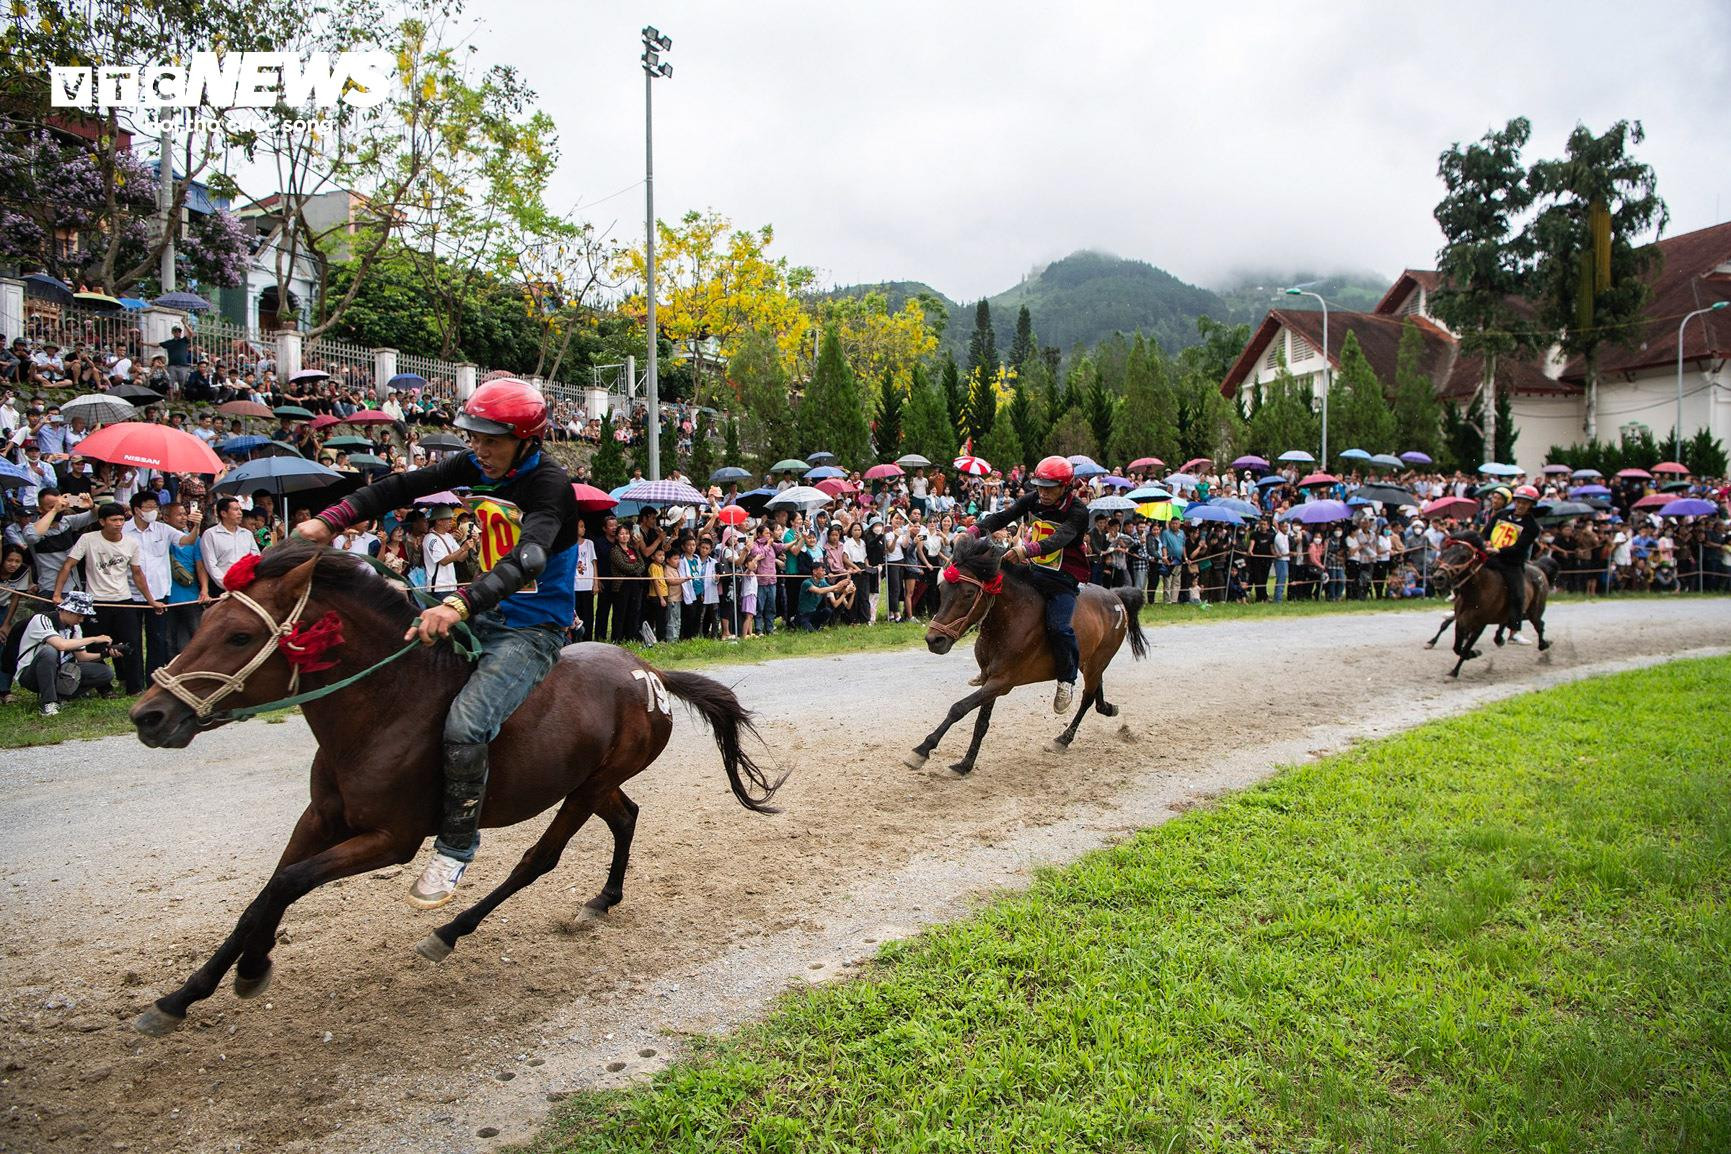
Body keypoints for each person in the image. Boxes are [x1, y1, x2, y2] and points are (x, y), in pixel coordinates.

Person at [295, 377, 581, 910]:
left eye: (491, 440)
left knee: (467, 723)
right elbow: (397, 488)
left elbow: (529, 560)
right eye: (473, 437)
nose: (479, 450)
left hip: (530, 629)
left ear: (526, 439)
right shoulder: (473, 467)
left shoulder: (549, 486)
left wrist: (459, 604)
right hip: (478, 611)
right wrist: (329, 521)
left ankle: (455, 846)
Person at [970, 455, 1091, 713]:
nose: (1042, 493)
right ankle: (990, 666)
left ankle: (1067, 680)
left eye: (1049, 488)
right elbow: (1002, 517)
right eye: (1039, 486)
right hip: (1035, 570)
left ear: (1065, 486)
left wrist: (1025, 550)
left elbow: (1060, 539)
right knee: (995, 591)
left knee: (1059, 628)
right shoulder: (1033, 499)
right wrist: (973, 531)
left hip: (1062, 578)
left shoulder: (1078, 511)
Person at [54, 501, 161, 695]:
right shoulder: (88, 539)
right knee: (95, 645)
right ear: (102, 521)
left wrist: (151, 600)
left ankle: (134, 687)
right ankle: (104, 688)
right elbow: (68, 565)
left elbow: (137, 574)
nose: (119, 523)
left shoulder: (131, 542)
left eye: (121, 519)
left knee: (132, 644)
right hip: (96, 601)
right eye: (114, 520)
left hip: (124, 600)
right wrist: (57, 594)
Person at [14, 590, 114, 715]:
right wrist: (94, 639)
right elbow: (60, 645)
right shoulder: (41, 619)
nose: (81, 620)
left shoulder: (74, 628)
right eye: (79, 615)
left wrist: (106, 654)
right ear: (66, 610)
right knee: (49, 651)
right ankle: (48, 703)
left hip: (59, 671)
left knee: (105, 672)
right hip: (30, 674)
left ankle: (62, 696)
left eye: (83, 616)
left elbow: (81, 657)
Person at [1484, 484, 1541, 644]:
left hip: (1511, 562)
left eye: (1525, 503)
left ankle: (1515, 631)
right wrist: (1486, 542)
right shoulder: (1502, 514)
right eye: (1519, 501)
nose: (1521, 505)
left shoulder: (1532, 526)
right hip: (1491, 556)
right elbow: (1487, 531)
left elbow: (1519, 547)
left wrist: (1499, 551)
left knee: (1518, 593)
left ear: (1531, 505)